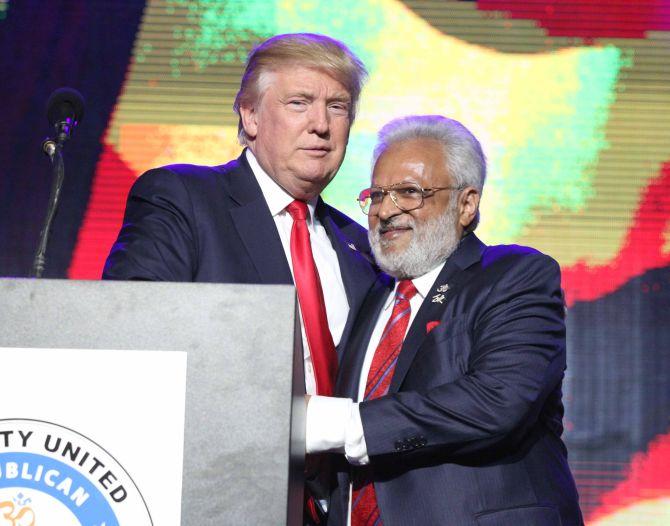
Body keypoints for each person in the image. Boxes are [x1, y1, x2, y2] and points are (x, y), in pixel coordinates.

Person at [103, 33, 379, 521]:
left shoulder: (362, 246)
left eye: (338, 108)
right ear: (250, 116)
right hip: (214, 494)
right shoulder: (182, 199)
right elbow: (133, 344)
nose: (321, 125)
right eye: (300, 103)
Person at [306, 115, 583, 526]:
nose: (385, 210)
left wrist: (341, 424)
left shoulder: (514, 275)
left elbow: (497, 401)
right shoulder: (371, 295)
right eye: (377, 194)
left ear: (466, 204)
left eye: (409, 193)